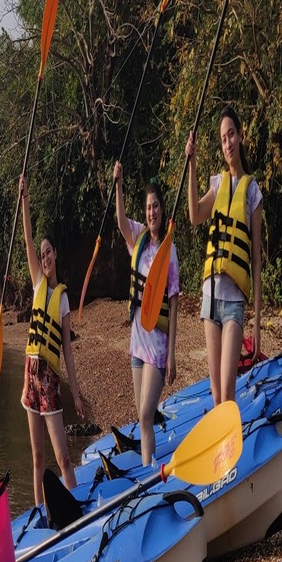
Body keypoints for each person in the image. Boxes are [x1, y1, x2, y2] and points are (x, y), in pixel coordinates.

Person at [19, 175, 89, 509]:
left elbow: (68, 352)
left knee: (62, 457)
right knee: (37, 456)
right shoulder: (37, 283)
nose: (44, 258)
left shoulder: (61, 299)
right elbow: (27, 238)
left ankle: (75, 509)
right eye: (42, 254)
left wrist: (75, 393)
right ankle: (39, 514)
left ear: (56, 255)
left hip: (48, 380)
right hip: (29, 374)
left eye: (48, 253)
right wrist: (25, 200)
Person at [186, 105, 262, 407]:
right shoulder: (217, 185)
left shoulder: (252, 191)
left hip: (233, 305)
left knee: (228, 395)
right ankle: (224, 439)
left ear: (240, 136)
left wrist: (257, 322)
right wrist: (191, 166)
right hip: (210, 297)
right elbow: (194, 215)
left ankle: (234, 435)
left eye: (231, 135)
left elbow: (256, 261)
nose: (228, 143)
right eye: (223, 138)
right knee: (217, 395)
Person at [113, 161, 178, 466]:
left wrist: (173, 354)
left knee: (144, 415)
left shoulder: (169, 250)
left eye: (156, 207)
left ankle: (152, 475)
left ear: (162, 211)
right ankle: (147, 469)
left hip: (158, 346)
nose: (152, 212)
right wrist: (118, 184)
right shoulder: (139, 237)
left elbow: (174, 302)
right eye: (148, 207)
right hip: (137, 343)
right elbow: (121, 223)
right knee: (142, 418)